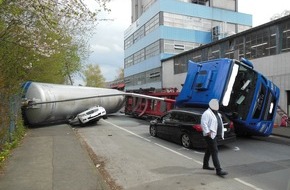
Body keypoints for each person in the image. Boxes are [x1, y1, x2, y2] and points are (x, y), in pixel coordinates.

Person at [201, 99, 228, 176]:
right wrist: (207, 132)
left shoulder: (217, 114)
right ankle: (218, 170)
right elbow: (203, 123)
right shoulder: (207, 113)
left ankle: (205, 165)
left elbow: (219, 123)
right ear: (210, 105)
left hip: (215, 135)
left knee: (209, 150)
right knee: (214, 151)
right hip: (210, 135)